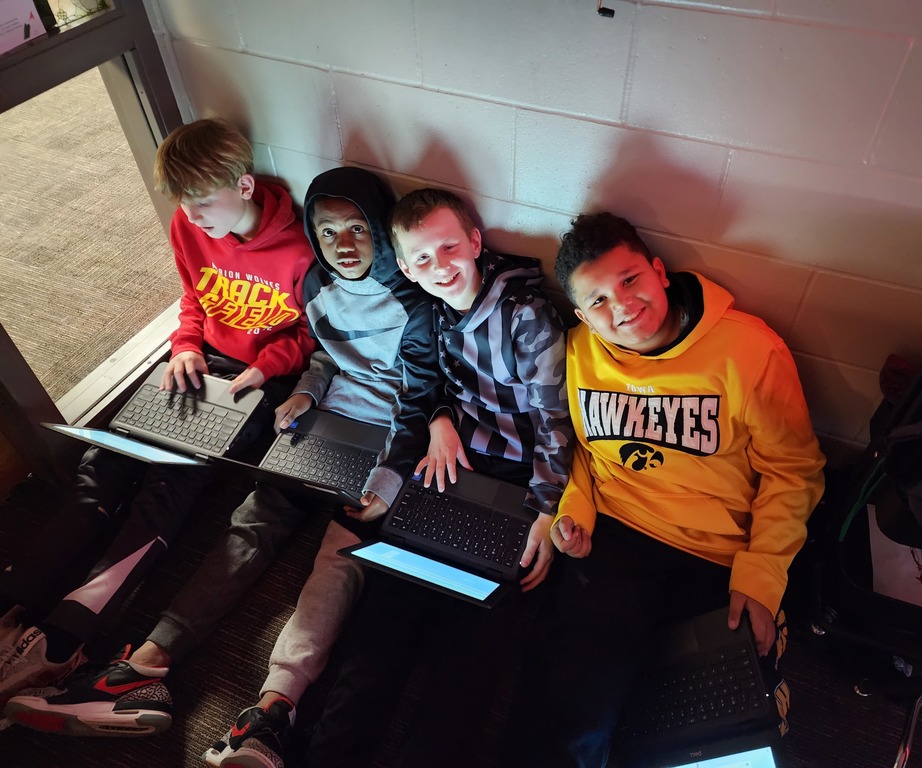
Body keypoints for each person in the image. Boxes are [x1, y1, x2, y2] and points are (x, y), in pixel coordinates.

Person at [4, 167, 441, 762]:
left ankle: (273, 708)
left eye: (358, 229)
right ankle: (143, 668)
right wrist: (306, 392)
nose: (343, 245)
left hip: (384, 441)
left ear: (381, 231)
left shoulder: (417, 302)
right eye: (328, 231)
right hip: (321, 424)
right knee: (250, 526)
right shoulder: (318, 282)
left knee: (338, 560)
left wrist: (390, 479)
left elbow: (420, 398)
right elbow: (325, 355)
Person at [0, 118, 315, 708]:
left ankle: (63, 639)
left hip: (254, 382)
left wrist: (265, 368)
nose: (192, 216)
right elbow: (193, 297)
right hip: (197, 363)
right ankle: (12, 605)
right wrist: (185, 346)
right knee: (103, 468)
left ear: (244, 186)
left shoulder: (301, 248)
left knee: (166, 488)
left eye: (203, 202)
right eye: (183, 204)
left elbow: (309, 335)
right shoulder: (188, 225)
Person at [521, 212, 826, 767]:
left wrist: (762, 576)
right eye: (598, 300)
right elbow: (583, 452)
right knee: (571, 709)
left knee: (693, 726)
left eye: (629, 280)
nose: (621, 306)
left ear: (659, 272)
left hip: (717, 552)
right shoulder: (579, 351)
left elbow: (794, 473)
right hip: (617, 536)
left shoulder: (751, 351)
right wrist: (576, 509)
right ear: (582, 315)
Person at [303, 187, 573, 766]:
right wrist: (440, 418)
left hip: (519, 482)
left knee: (470, 643)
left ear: (475, 242)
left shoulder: (526, 316)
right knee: (387, 610)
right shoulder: (429, 310)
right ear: (405, 267)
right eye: (422, 258)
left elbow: (557, 421)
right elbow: (424, 387)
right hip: (451, 466)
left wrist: (547, 510)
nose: (440, 266)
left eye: (449, 247)